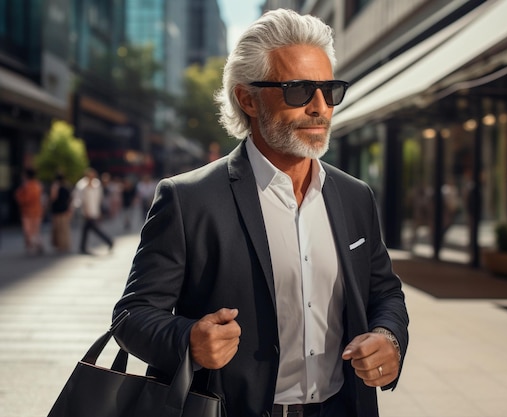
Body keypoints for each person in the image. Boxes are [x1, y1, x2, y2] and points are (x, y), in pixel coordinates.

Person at [112, 9, 409, 417]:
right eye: (299, 90)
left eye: (329, 90)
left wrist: (389, 338)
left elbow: (385, 294)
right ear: (247, 98)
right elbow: (132, 316)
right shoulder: (188, 199)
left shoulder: (355, 196)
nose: (320, 107)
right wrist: (188, 340)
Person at [74, 168, 114, 254]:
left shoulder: (97, 184)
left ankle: (109, 241)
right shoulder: (81, 185)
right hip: (85, 212)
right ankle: (83, 247)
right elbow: (79, 200)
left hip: (94, 211)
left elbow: (99, 199)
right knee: (88, 228)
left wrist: (99, 211)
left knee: (90, 228)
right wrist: (84, 211)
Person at [14, 167, 44, 255]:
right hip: (37, 211)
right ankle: (36, 243)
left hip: (28, 211)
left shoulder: (27, 186)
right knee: (35, 230)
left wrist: (20, 196)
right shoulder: (38, 185)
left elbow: (23, 198)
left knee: (28, 230)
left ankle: (32, 245)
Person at [49, 172, 73, 253]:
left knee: (59, 229)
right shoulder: (66, 187)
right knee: (65, 229)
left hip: (58, 211)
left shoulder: (56, 187)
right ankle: (64, 245)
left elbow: (53, 197)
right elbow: (70, 199)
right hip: (64, 210)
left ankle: (61, 245)